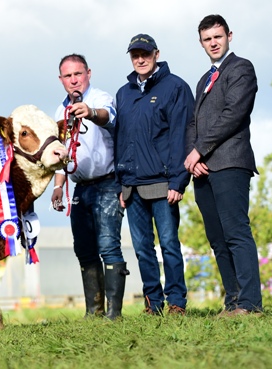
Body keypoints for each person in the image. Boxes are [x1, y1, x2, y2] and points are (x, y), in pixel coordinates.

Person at [184, 14, 263, 316]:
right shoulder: (204, 80)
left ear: (229, 35)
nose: (213, 43)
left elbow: (233, 114)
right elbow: (194, 122)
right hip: (202, 169)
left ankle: (250, 304)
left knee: (236, 232)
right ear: (201, 42)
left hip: (230, 163)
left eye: (218, 36)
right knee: (217, 238)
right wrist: (194, 155)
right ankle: (233, 302)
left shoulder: (241, 68)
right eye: (207, 39)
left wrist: (200, 150)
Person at [114, 35, 194, 315]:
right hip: (131, 186)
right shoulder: (123, 93)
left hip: (163, 183)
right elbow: (120, 139)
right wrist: (120, 183)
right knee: (142, 248)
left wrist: (178, 180)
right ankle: (153, 303)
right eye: (135, 54)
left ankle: (176, 302)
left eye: (145, 53)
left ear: (156, 54)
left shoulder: (176, 87)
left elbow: (182, 136)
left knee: (170, 244)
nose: (140, 59)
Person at [50, 54, 128, 320]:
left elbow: (111, 117)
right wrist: (58, 185)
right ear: (61, 80)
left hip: (107, 183)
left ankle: (114, 313)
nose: (74, 80)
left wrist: (91, 113)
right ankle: (93, 311)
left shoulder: (101, 98)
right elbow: (60, 153)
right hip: (79, 187)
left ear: (88, 74)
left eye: (78, 74)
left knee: (108, 245)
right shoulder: (60, 112)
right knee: (83, 248)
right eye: (68, 76)